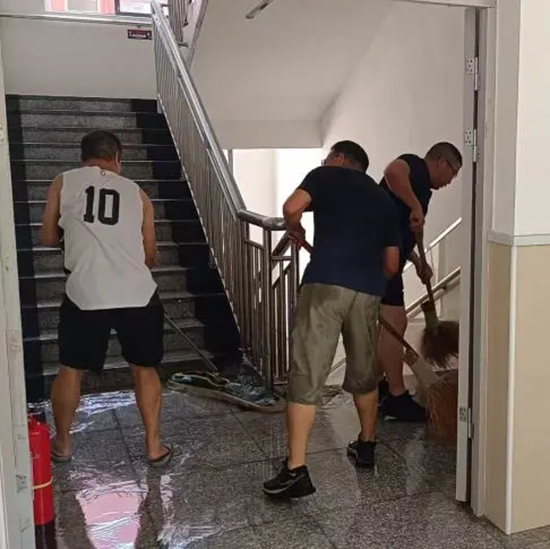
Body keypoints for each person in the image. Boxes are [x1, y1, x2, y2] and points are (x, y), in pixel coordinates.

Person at [263, 141, 400, 499]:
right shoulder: (384, 200)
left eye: (328, 158)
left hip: (325, 285)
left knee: (307, 373)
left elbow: (292, 207)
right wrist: (368, 284)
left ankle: (296, 469)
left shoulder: (325, 175)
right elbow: (391, 264)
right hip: (367, 292)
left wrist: (295, 228)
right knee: (364, 370)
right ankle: (366, 444)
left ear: (339, 158)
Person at [41, 130, 172, 467]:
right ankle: (153, 445)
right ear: (117, 159)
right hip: (137, 293)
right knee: (144, 368)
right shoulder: (138, 194)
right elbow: (150, 255)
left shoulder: (63, 182)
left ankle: (63, 443)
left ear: (83, 157)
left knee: (71, 369)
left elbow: (48, 236)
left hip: (85, 291)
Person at [378, 142, 462, 422]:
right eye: (453, 172)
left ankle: (381, 386)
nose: (451, 181)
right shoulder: (414, 165)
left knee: (389, 326)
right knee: (396, 323)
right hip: (379, 259)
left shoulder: (424, 189)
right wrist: (415, 205)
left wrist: (417, 261)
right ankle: (397, 396)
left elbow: (403, 229)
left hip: (389, 258)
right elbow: (392, 171)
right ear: (441, 163)